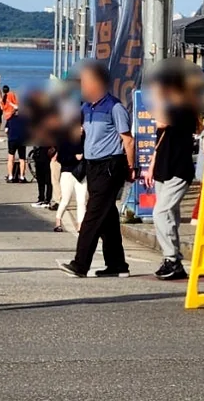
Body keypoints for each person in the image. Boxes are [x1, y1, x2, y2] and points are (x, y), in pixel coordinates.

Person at [60, 60, 136, 279]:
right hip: (92, 166)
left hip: (110, 165)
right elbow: (76, 131)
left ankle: (80, 264)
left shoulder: (115, 107)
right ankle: (117, 264)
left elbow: (127, 141)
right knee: (107, 216)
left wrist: (130, 168)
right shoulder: (86, 107)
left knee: (93, 215)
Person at [145, 60, 204, 281]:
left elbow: (161, 122)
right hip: (164, 166)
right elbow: (159, 141)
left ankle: (172, 257)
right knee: (169, 214)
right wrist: (151, 166)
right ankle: (172, 259)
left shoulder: (185, 108)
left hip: (179, 169)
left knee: (160, 212)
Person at [53, 128, 87, 232]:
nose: (80, 129)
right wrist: (74, 157)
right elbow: (60, 158)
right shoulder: (64, 141)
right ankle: (58, 221)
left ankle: (80, 225)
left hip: (82, 174)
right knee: (65, 200)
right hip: (67, 173)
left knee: (82, 200)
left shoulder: (86, 140)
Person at [5, 108, 28, 183]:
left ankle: (11, 176)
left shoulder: (10, 119)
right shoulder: (25, 120)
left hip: (12, 140)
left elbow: (6, 130)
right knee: (22, 159)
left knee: (11, 158)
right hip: (22, 140)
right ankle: (22, 176)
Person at [30, 143, 54, 208]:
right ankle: (41, 198)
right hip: (38, 157)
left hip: (47, 157)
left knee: (48, 180)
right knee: (40, 180)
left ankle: (47, 200)